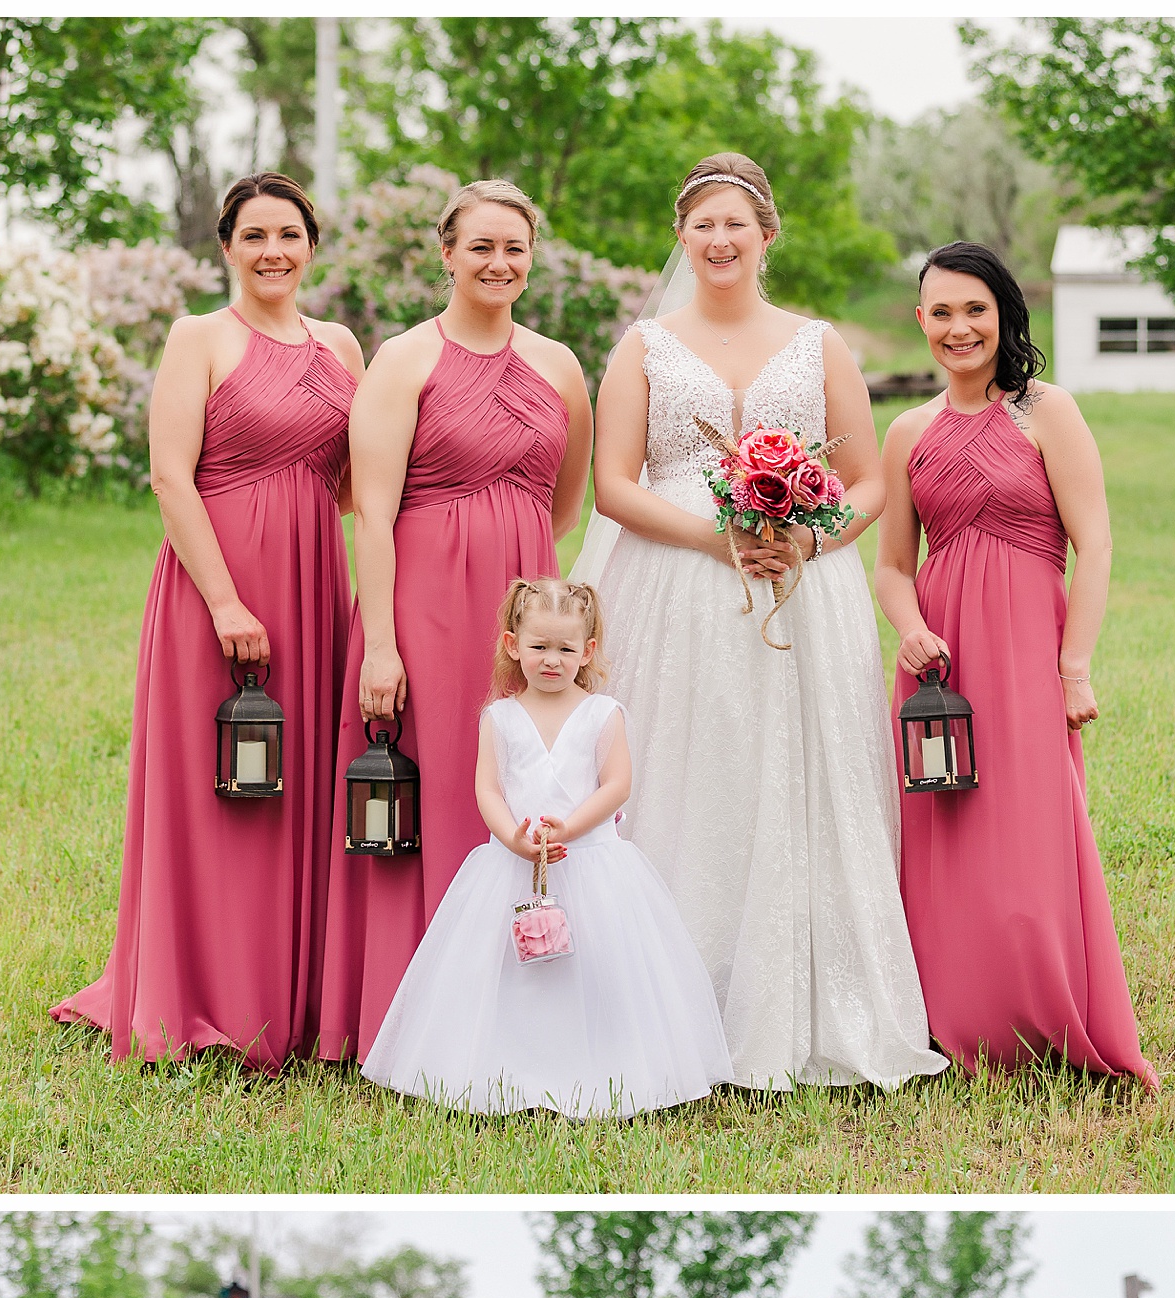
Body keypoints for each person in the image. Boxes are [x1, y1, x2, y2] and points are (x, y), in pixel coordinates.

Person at [585, 153, 946, 1093]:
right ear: (681, 237)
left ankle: (803, 1005)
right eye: (702, 223)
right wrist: (717, 539)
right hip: (675, 581)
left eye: (735, 224)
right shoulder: (644, 347)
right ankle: (677, 1001)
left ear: (767, 236)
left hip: (803, 587)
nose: (719, 239)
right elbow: (613, 485)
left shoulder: (818, 344)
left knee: (796, 774)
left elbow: (868, 480)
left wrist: (809, 540)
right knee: (686, 772)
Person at [54, 174, 362, 1068]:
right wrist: (226, 599)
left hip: (312, 579)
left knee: (300, 781)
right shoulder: (198, 338)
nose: (274, 250)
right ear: (226, 246)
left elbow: (360, 474)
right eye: (255, 234)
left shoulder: (340, 344)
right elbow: (167, 475)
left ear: (312, 246)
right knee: (218, 787)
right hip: (216, 585)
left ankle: (292, 995)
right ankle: (202, 993)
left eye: (291, 234)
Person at [319, 179, 592, 1063]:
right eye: (480, 247)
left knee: (522, 789)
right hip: (425, 605)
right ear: (445, 253)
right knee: (433, 789)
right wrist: (386, 645)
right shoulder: (404, 361)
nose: (498, 263)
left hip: (521, 612)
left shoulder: (559, 367)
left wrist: (519, 586)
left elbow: (564, 502)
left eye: (514, 248)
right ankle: (411, 1016)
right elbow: (373, 509)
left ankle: (519, 1008)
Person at [877, 244, 1157, 1088]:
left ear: (1004, 316)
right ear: (920, 320)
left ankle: (1044, 1013)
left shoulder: (1047, 411)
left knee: (1032, 836)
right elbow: (892, 564)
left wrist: (1074, 668)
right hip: (942, 668)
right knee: (946, 838)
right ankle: (952, 1018)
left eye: (976, 311)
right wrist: (910, 627)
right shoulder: (908, 431)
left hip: (1028, 649)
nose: (959, 328)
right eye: (942, 312)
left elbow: (1095, 542)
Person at [361, 576, 731, 1117]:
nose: (551, 660)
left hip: (591, 863)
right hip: (513, 865)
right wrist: (513, 837)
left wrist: (568, 829)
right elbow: (487, 787)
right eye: (538, 647)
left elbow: (616, 786)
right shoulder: (500, 717)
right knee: (510, 973)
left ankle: (607, 1070)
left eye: (565, 648)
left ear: (588, 651)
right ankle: (508, 1070)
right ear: (513, 646)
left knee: (601, 971)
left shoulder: (605, 714)